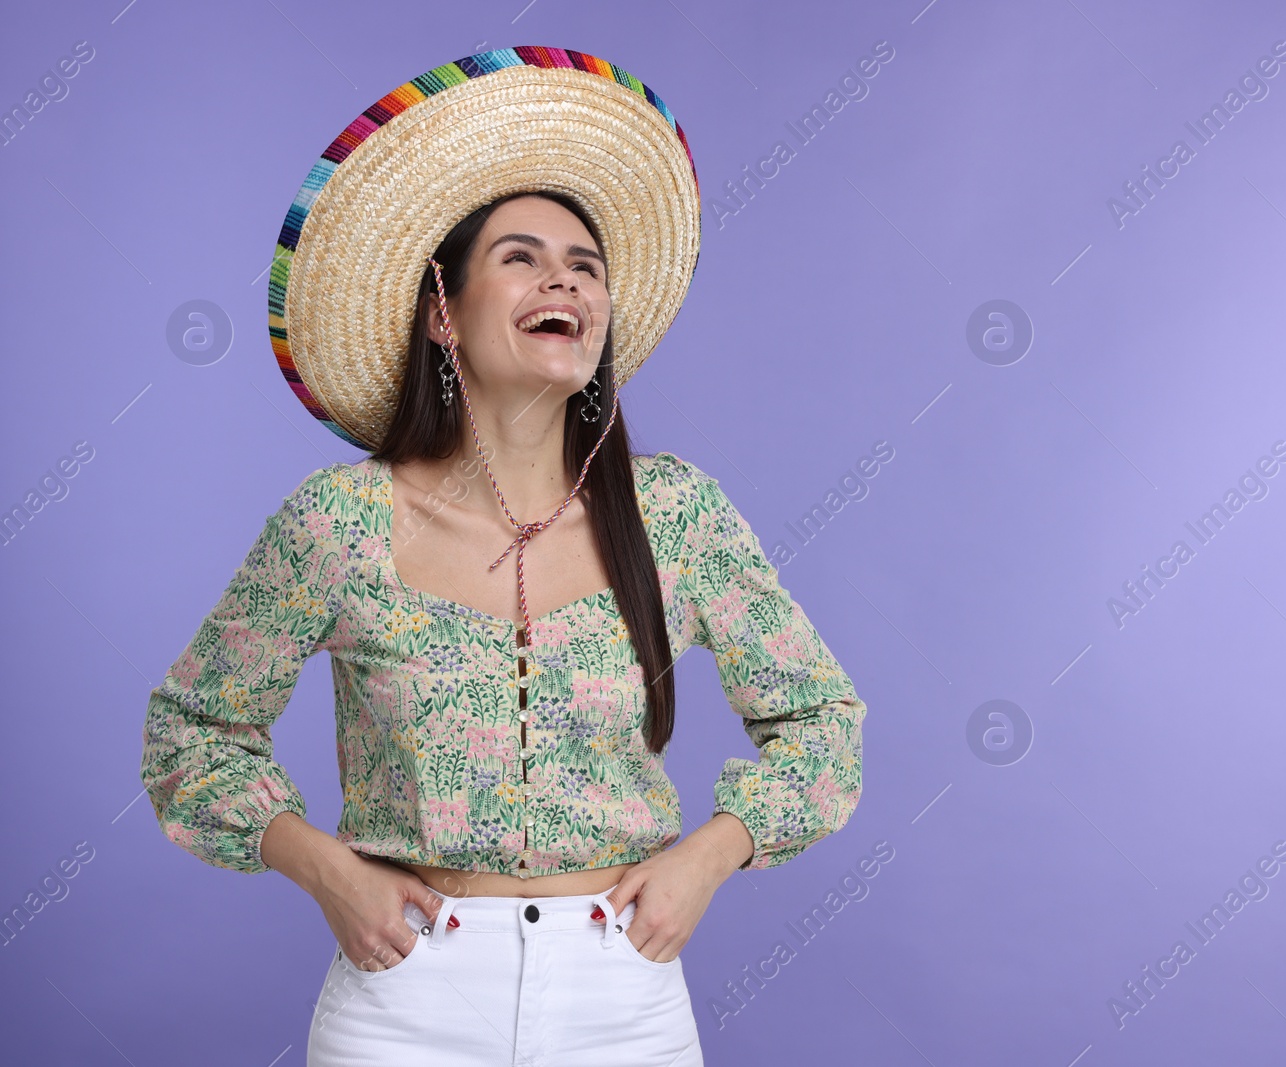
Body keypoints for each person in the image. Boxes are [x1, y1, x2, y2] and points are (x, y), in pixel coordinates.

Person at [139, 46, 866, 1067]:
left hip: (623, 994)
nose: (562, 277)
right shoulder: (339, 522)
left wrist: (710, 852)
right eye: (519, 256)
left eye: (585, 263)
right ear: (443, 310)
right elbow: (193, 731)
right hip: (405, 997)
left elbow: (823, 724)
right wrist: (324, 868)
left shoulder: (678, 515)